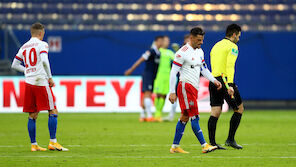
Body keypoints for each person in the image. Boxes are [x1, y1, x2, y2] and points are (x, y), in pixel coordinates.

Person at [11, 22, 68, 152]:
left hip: (29, 82)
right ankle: (53, 142)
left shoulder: (24, 47)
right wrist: (50, 77)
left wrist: (27, 70)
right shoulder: (42, 44)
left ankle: (34, 144)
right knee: (53, 110)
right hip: (40, 81)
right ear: (41, 33)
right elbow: (43, 60)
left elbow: (14, 65)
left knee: (33, 114)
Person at [168, 27, 222, 154]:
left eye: (202, 40)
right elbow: (173, 72)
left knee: (185, 117)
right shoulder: (182, 52)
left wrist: (214, 80)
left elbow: (204, 69)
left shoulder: (200, 51)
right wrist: (172, 91)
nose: (201, 42)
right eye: (199, 40)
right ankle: (204, 145)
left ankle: (175, 147)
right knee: (194, 116)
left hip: (193, 88)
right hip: (185, 87)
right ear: (191, 38)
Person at [207, 24, 244, 149]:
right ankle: (230, 139)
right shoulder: (233, 47)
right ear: (234, 35)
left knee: (215, 112)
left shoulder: (216, 46)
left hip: (213, 80)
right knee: (239, 109)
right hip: (224, 81)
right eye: (238, 36)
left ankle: (212, 143)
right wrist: (230, 84)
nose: (239, 38)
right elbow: (229, 66)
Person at [125, 36, 163, 122]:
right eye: (160, 41)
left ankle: (142, 115)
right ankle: (149, 115)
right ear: (156, 42)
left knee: (146, 94)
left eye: (162, 41)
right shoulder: (151, 51)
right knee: (148, 94)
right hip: (148, 74)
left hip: (152, 76)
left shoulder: (158, 53)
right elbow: (141, 60)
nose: (162, 43)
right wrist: (131, 69)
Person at [153, 36, 175, 122]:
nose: (167, 42)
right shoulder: (158, 51)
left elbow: (177, 59)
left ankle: (159, 114)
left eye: (168, 41)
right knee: (158, 94)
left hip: (167, 77)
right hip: (159, 76)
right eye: (166, 41)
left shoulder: (170, 52)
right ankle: (157, 114)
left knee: (164, 95)